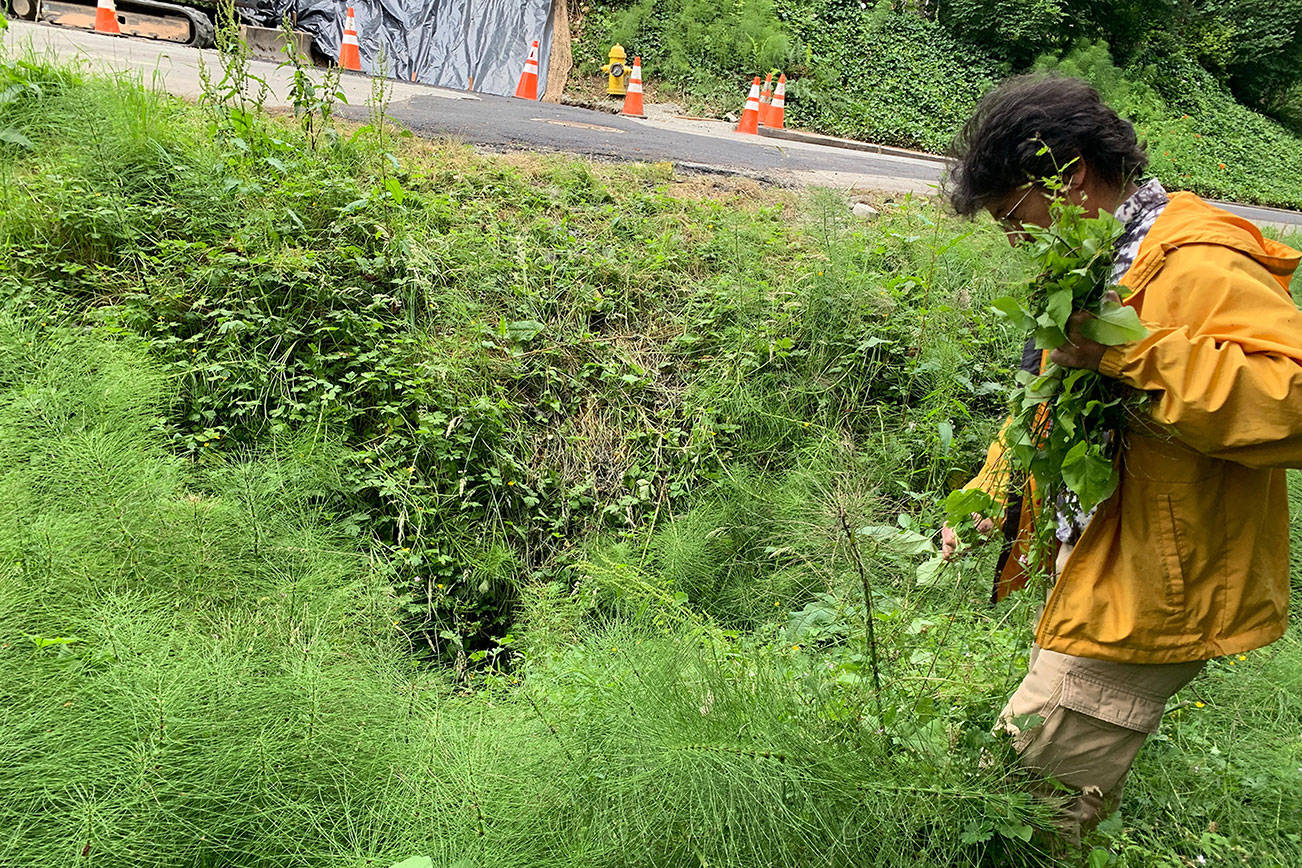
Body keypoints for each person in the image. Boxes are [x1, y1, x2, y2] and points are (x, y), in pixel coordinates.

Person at [941, 75, 1301, 844]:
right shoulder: (1099, 259)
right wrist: (988, 494)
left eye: (1013, 216)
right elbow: (1052, 401)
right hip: (1105, 563)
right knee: (1021, 795)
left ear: (1069, 175)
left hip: (1157, 588)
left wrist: (1132, 353)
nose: (1013, 237)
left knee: (1017, 812)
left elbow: (1291, 400)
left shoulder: (1198, 262)